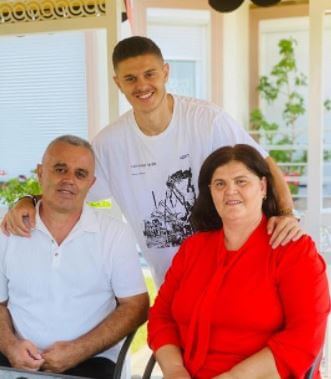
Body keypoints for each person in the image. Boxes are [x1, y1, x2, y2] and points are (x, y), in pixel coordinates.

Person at [1, 36, 303, 287]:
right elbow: (71, 192)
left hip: (231, 268)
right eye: (130, 78)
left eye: (150, 74)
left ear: (166, 73)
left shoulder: (207, 120)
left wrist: (286, 213)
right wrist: (29, 200)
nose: (142, 85)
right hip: (172, 280)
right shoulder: (110, 143)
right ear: (118, 83)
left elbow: (263, 163)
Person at [147, 144, 330, 379]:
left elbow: (305, 336)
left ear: (263, 187)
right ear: (211, 192)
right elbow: (161, 316)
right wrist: (174, 370)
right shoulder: (193, 249)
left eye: (241, 181)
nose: (230, 191)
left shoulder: (293, 251)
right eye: (220, 184)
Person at [0, 135, 149, 378]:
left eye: (80, 174)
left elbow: (137, 306)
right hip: (15, 360)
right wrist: (10, 346)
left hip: (91, 361)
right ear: (41, 173)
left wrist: (79, 350)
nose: (69, 180)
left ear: (91, 183)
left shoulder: (113, 234)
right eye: (60, 169)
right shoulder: (9, 231)